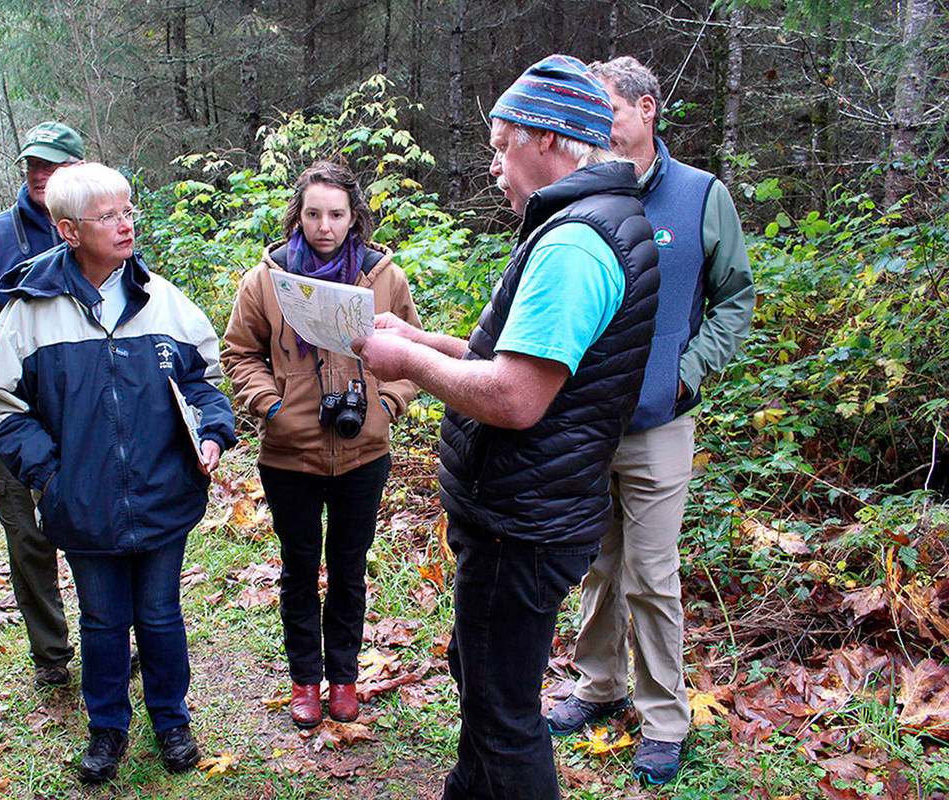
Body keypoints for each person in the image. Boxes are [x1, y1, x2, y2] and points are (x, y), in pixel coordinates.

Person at [352, 55, 660, 800]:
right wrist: (425, 342)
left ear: (550, 141)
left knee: (502, 712)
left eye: (501, 145)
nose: (493, 167)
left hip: (521, 523)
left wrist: (402, 363)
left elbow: (518, 397)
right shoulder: (599, 223)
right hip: (535, 510)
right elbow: (531, 362)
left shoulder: (574, 245)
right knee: (483, 678)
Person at [0, 162, 236, 783]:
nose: (126, 225)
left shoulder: (163, 299)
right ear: (68, 230)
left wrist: (210, 432)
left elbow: (204, 380)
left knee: (160, 615)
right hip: (84, 503)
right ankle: (107, 731)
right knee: (101, 621)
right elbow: (2, 408)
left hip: (163, 492)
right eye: (108, 217)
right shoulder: (28, 311)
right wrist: (53, 477)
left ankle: (172, 722)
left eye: (128, 210)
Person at [542, 55, 755, 785]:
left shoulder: (700, 196)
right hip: (584, 418)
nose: (598, 125)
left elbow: (735, 298)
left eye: (609, 110)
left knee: (652, 573)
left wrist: (687, 374)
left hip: (660, 423)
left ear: (647, 108)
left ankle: (664, 717)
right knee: (595, 562)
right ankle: (597, 685)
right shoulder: (583, 191)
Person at [222, 161, 420, 729]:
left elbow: (411, 357)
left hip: (363, 453)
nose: (325, 225)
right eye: (314, 213)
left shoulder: (384, 277)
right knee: (299, 566)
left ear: (353, 215)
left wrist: (386, 405)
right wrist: (273, 408)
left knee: (350, 568)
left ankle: (344, 679)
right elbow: (239, 354)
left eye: (336, 214)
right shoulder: (267, 280)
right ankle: (305, 680)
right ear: (298, 215)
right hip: (290, 454)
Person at [0, 121, 84, 687]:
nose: (39, 174)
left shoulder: (100, 229)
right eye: (32, 164)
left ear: (76, 170)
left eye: (52, 165)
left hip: (85, 419)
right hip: (18, 420)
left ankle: (108, 633)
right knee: (28, 539)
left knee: (96, 529)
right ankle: (51, 652)